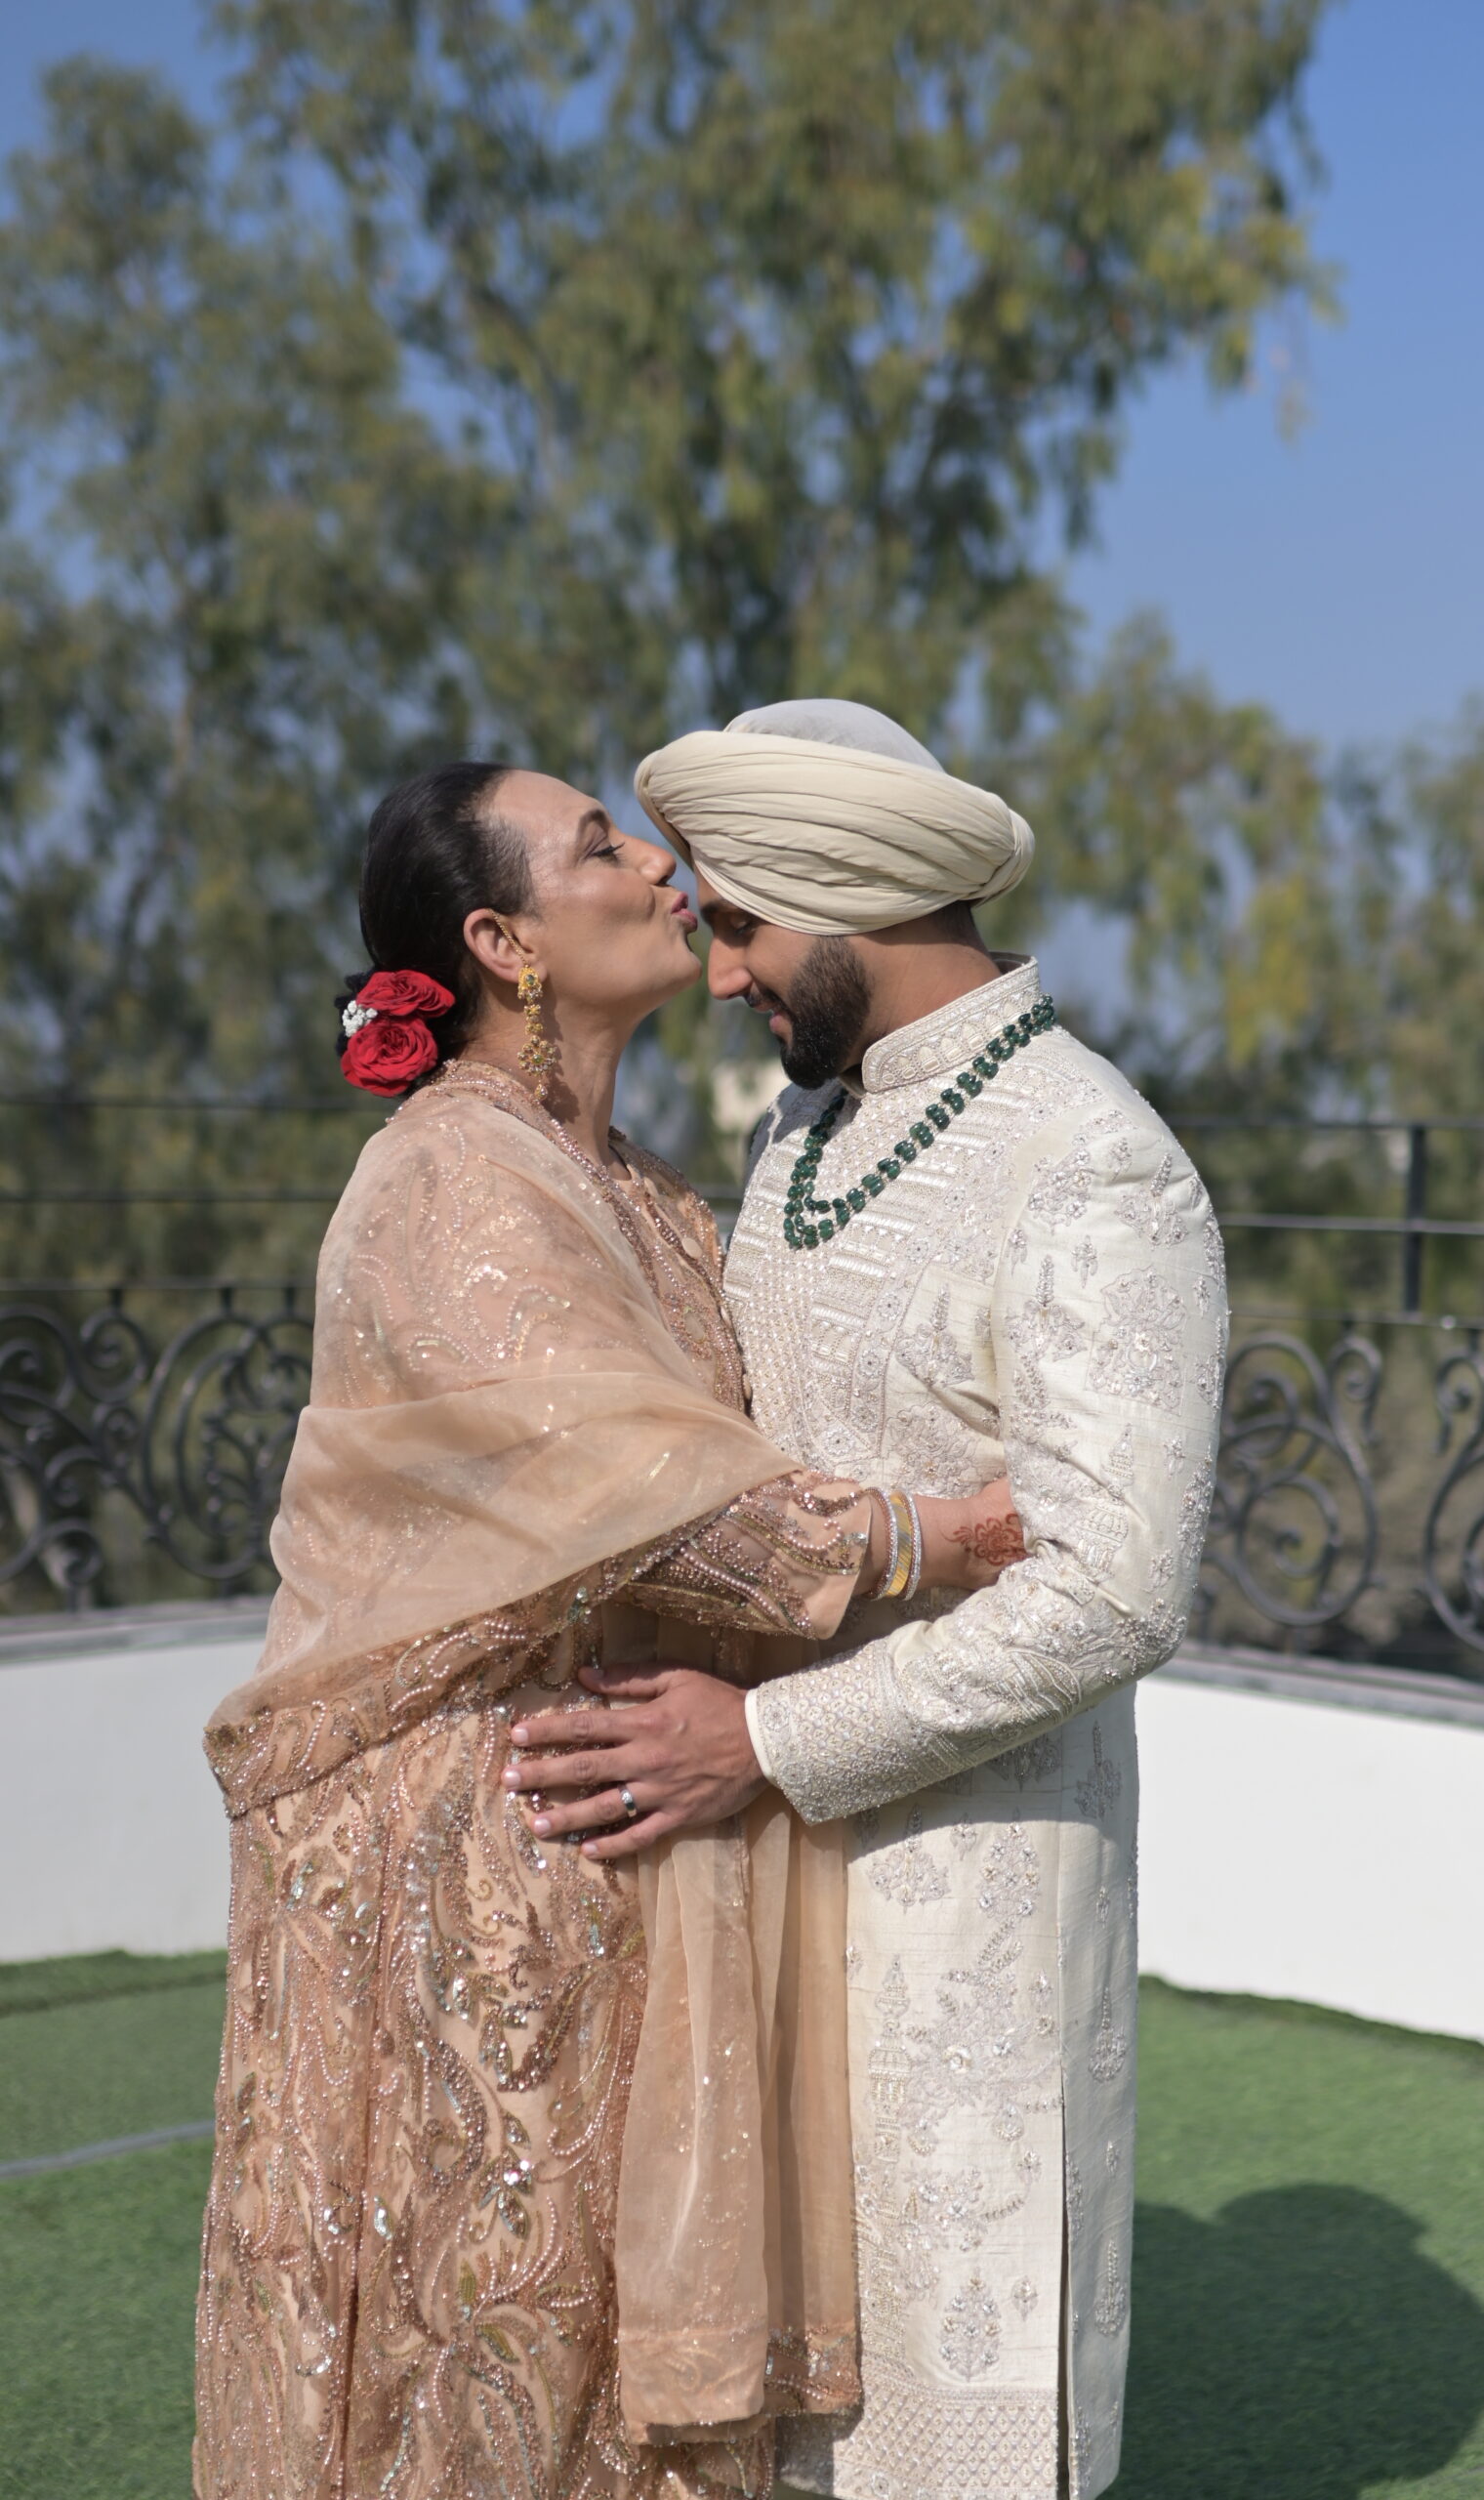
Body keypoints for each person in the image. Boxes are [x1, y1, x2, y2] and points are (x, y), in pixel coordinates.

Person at [192, 760, 1021, 2500]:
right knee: (483, 2314)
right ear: (503, 943)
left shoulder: (639, 1189)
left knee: (587, 2325)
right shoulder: (452, 1180)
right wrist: (944, 1536)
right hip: (467, 1831)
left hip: (608, 1810)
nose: (658, 865)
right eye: (599, 844)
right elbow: (648, 1496)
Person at [507, 703, 1227, 2500]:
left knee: (951, 2423)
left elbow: (1116, 1590)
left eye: (745, 925)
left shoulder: (1091, 1159)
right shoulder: (808, 1132)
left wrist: (762, 1739)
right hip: (754, 1891)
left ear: (853, 900)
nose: (720, 969)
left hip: (968, 1897)